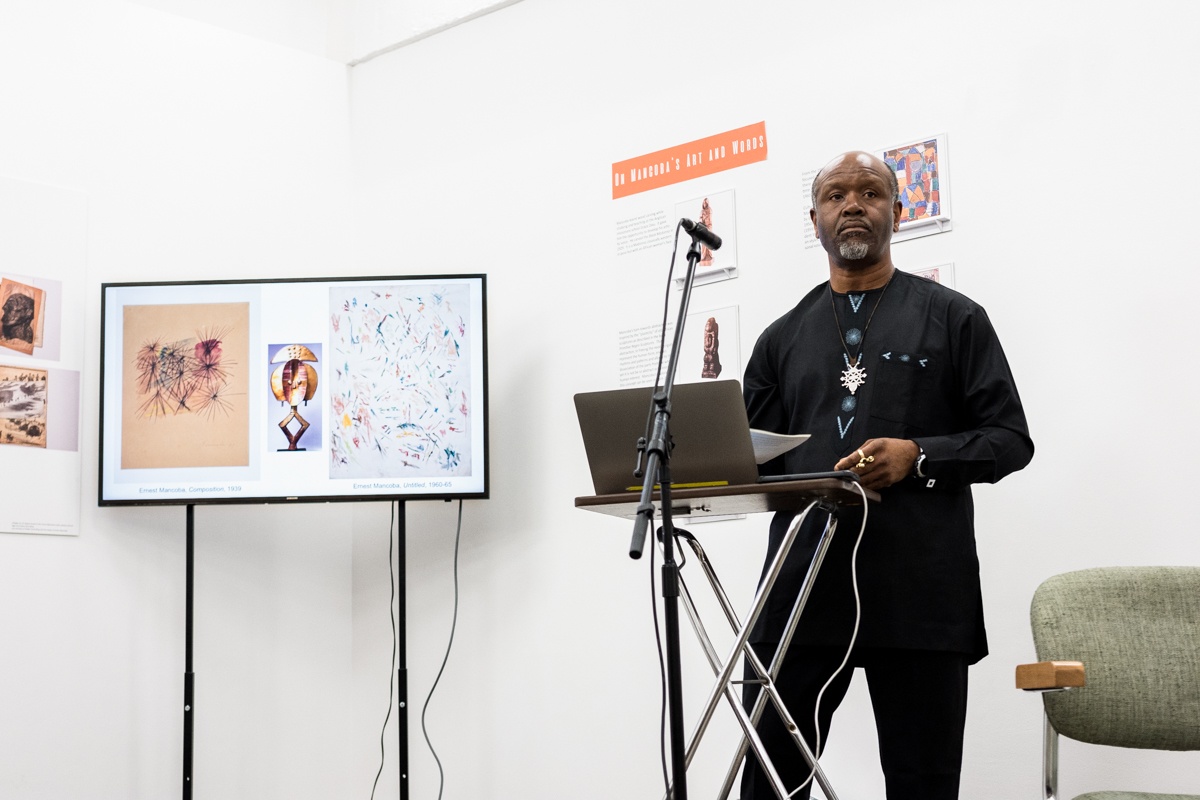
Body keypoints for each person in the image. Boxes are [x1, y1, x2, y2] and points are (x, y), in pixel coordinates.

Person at [739, 151, 1033, 799]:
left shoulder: (956, 319)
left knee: (920, 784)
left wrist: (917, 457)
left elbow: (1009, 440)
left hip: (919, 593)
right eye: (835, 194)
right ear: (813, 219)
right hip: (800, 595)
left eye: (871, 192)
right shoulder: (778, 341)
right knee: (767, 782)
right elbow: (753, 465)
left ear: (897, 213)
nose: (852, 203)